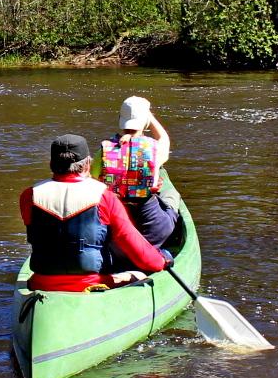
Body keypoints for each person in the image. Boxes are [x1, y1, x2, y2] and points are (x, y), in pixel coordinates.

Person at [20, 134, 171, 292]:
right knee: (139, 275)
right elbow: (140, 254)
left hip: (41, 283)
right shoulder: (104, 196)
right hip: (91, 284)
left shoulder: (29, 196)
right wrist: (162, 261)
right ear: (87, 165)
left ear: (51, 164)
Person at [91, 96, 178, 250]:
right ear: (145, 122)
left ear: (120, 120)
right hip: (153, 230)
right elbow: (164, 137)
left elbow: (92, 182)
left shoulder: (103, 152)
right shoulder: (154, 149)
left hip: (116, 230)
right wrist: (149, 116)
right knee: (171, 194)